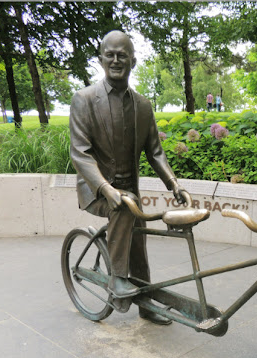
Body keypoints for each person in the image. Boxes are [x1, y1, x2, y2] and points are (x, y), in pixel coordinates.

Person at [69, 30, 188, 325]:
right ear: (101, 59)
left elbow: (156, 153)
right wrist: (105, 187)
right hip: (96, 190)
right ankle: (118, 280)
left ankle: (146, 305)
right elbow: (80, 153)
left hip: (128, 189)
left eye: (123, 55)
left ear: (133, 61)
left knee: (139, 242)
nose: (116, 60)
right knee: (124, 204)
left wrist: (174, 185)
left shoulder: (143, 106)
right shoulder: (83, 100)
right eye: (110, 54)